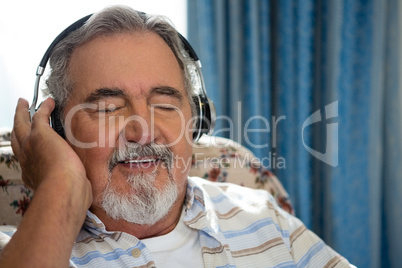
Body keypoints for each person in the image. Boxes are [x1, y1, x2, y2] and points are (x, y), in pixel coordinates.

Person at [0, 5, 355, 268]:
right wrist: (60, 184)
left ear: (196, 119)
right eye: (108, 107)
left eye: (165, 104)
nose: (142, 130)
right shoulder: (21, 251)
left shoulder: (265, 215)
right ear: (57, 131)